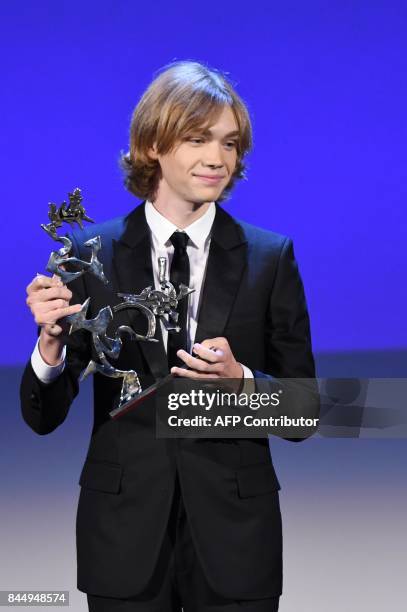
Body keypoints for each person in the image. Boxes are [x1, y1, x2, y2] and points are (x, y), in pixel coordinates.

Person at [20, 60, 316, 612]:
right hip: (124, 535)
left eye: (229, 144)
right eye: (198, 138)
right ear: (153, 143)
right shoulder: (90, 256)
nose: (217, 159)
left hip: (235, 541)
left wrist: (243, 383)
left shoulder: (271, 258)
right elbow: (42, 417)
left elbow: (305, 414)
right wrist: (51, 348)